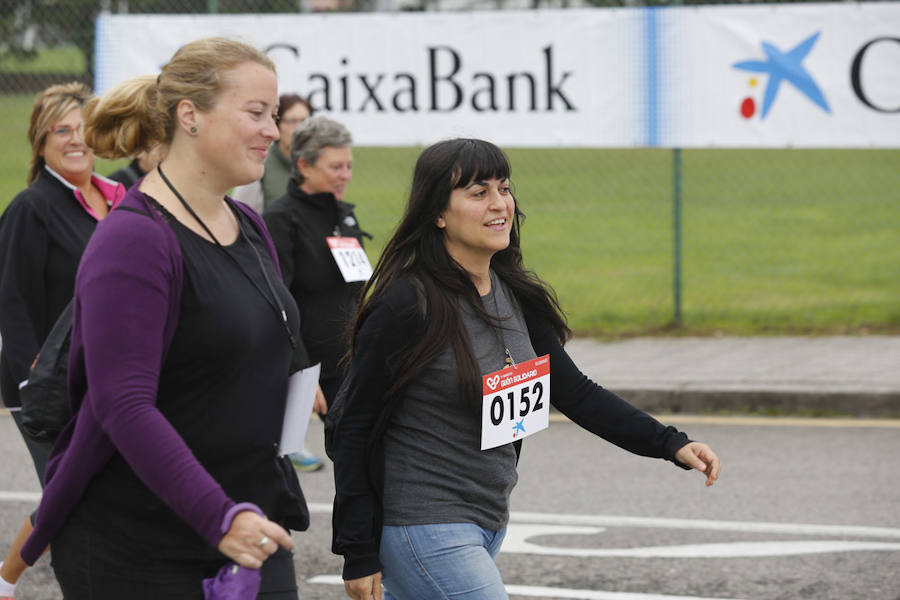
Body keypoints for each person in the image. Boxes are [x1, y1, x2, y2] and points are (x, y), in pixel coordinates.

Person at [330, 138, 722, 600]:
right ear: (437, 212)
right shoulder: (407, 304)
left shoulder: (513, 293)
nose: (499, 204)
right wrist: (357, 548)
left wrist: (670, 443)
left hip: (487, 519)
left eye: (504, 188)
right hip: (424, 524)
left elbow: (575, 392)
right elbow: (350, 423)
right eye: (478, 193)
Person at [19, 38, 310, 599]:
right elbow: (122, 404)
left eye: (273, 116)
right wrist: (220, 516)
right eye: (255, 113)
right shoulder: (135, 239)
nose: (273, 131)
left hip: (252, 531)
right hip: (145, 550)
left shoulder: (250, 227)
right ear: (189, 115)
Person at [0, 82, 125, 600]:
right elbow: (10, 302)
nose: (76, 140)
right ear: (41, 142)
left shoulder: (118, 198)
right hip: (53, 386)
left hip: (111, 378)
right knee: (75, 495)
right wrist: (36, 381)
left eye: (82, 129)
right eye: (62, 131)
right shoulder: (33, 207)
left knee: (100, 491)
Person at [264, 115, 370, 473]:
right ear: (304, 165)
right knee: (281, 470)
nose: (345, 175)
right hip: (312, 366)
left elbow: (357, 288)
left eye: (349, 166)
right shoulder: (282, 220)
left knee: (366, 463)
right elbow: (278, 302)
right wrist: (302, 373)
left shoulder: (342, 215)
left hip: (354, 359)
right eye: (336, 166)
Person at [233, 93, 313, 213]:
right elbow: (241, 216)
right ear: (277, 125)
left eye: (305, 121)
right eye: (292, 121)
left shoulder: (319, 166)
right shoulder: (258, 166)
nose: (299, 128)